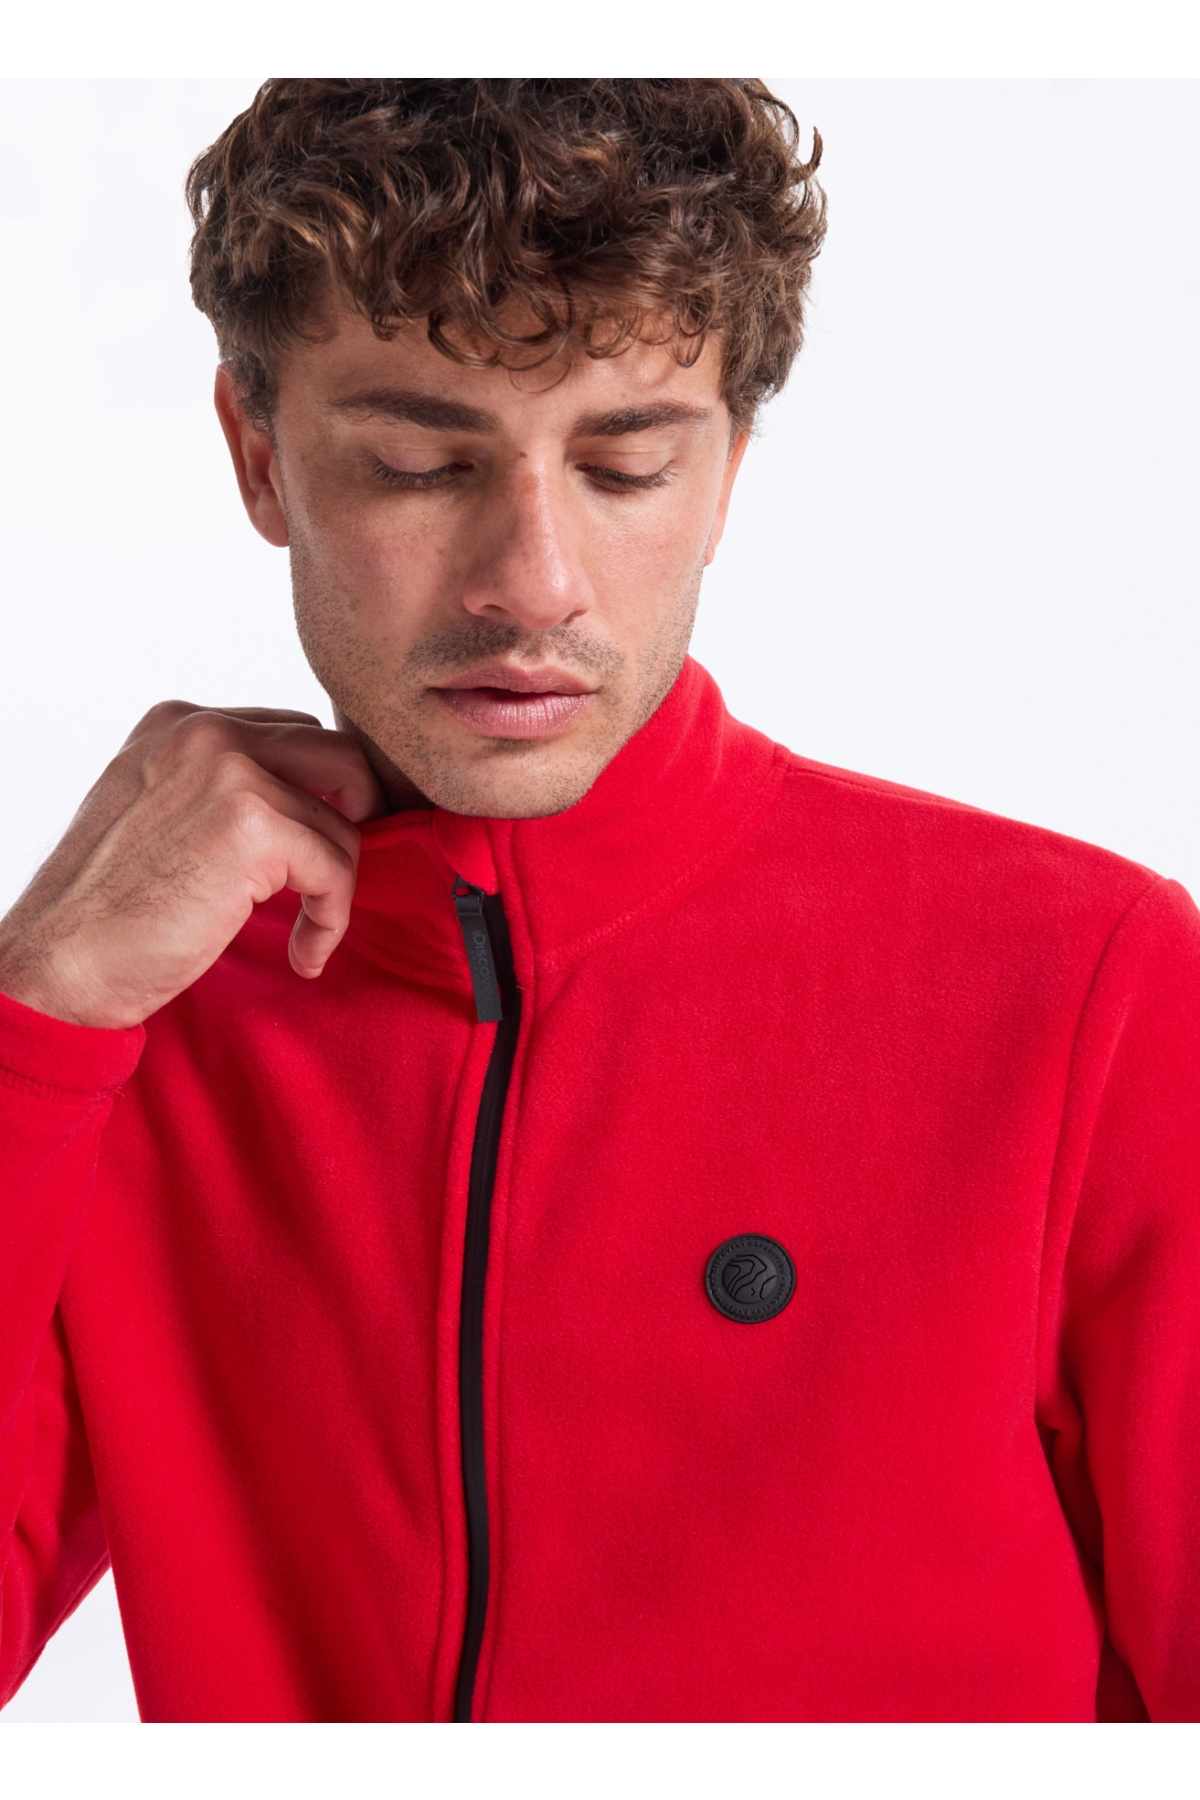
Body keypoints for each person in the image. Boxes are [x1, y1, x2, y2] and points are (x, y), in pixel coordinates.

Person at [0, 77, 1196, 1726]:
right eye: (422, 464)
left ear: (728, 472)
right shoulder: (137, 1022)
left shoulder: (1093, 987)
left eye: (627, 467)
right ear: (258, 456)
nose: (535, 583)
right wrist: (35, 1016)